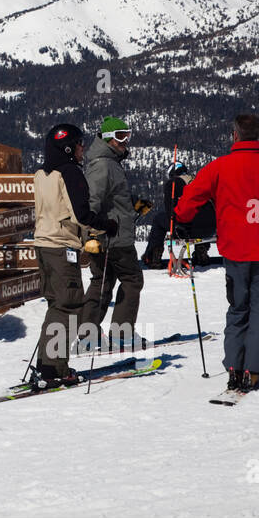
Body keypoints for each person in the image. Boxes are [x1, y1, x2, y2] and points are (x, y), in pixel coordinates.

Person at [174, 114, 259, 392]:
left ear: (234, 136)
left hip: (234, 250)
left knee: (238, 307)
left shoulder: (218, 168)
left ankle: (234, 366)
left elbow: (188, 202)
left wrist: (182, 218)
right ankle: (255, 367)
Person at [31, 124, 117, 388]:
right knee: (68, 305)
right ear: (68, 147)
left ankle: (49, 363)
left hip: (43, 245)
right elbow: (81, 214)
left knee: (57, 303)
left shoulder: (42, 173)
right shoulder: (70, 173)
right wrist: (106, 225)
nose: (83, 149)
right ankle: (55, 369)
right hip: (60, 247)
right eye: (79, 144)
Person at [80, 117, 147, 349]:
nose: (125, 140)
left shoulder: (108, 162)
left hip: (109, 234)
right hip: (114, 238)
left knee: (102, 281)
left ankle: (88, 334)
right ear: (107, 137)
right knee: (132, 279)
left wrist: (131, 205)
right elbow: (92, 201)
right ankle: (122, 334)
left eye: (127, 134)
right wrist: (92, 232)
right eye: (120, 135)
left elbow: (108, 199)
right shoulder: (104, 164)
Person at [141, 161, 217, 270]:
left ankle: (153, 257)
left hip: (186, 230)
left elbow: (170, 211)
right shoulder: (199, 180)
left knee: (159, 219)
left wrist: (175, 225)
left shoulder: (173, 184)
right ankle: (201, 252)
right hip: (209, 229)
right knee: (200, 214)